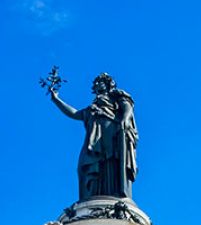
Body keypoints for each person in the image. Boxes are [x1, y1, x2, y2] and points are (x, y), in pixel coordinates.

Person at [47, 72, 138, 201]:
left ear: (107, 84)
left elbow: (127, 107)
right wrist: (56, 100)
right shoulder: (91, 109)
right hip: (94, 140)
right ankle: (94, 196)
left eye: (100, 82)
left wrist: (125, 119)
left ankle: (115, 194)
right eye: (95, 83)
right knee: (87, 166)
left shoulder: (115, 96)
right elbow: (74, 113)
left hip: (112, 137)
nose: (96, 85)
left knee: (111, 163)